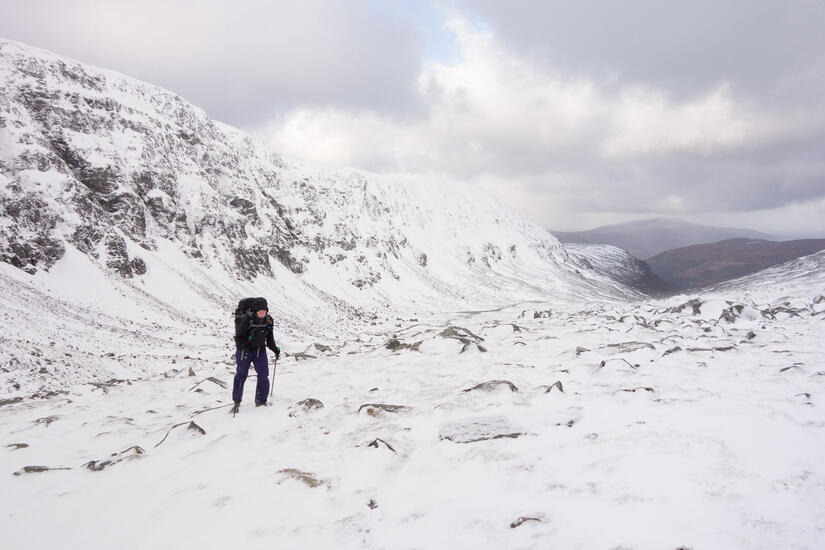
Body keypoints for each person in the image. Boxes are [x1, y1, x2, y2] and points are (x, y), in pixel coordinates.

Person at [232, 297, 280, 413]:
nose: (262, 314)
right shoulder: (247, 319)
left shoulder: (268, 320)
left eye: (264, 311)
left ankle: (261, 401)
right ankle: (237, 402)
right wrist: (244, 345)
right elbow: (238, 335)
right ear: (255, 310)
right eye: (260, 312)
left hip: (260, 351)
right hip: (245, 351)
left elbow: (269, 338)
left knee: (264, 375)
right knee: (241, 375)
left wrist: (275, 349)